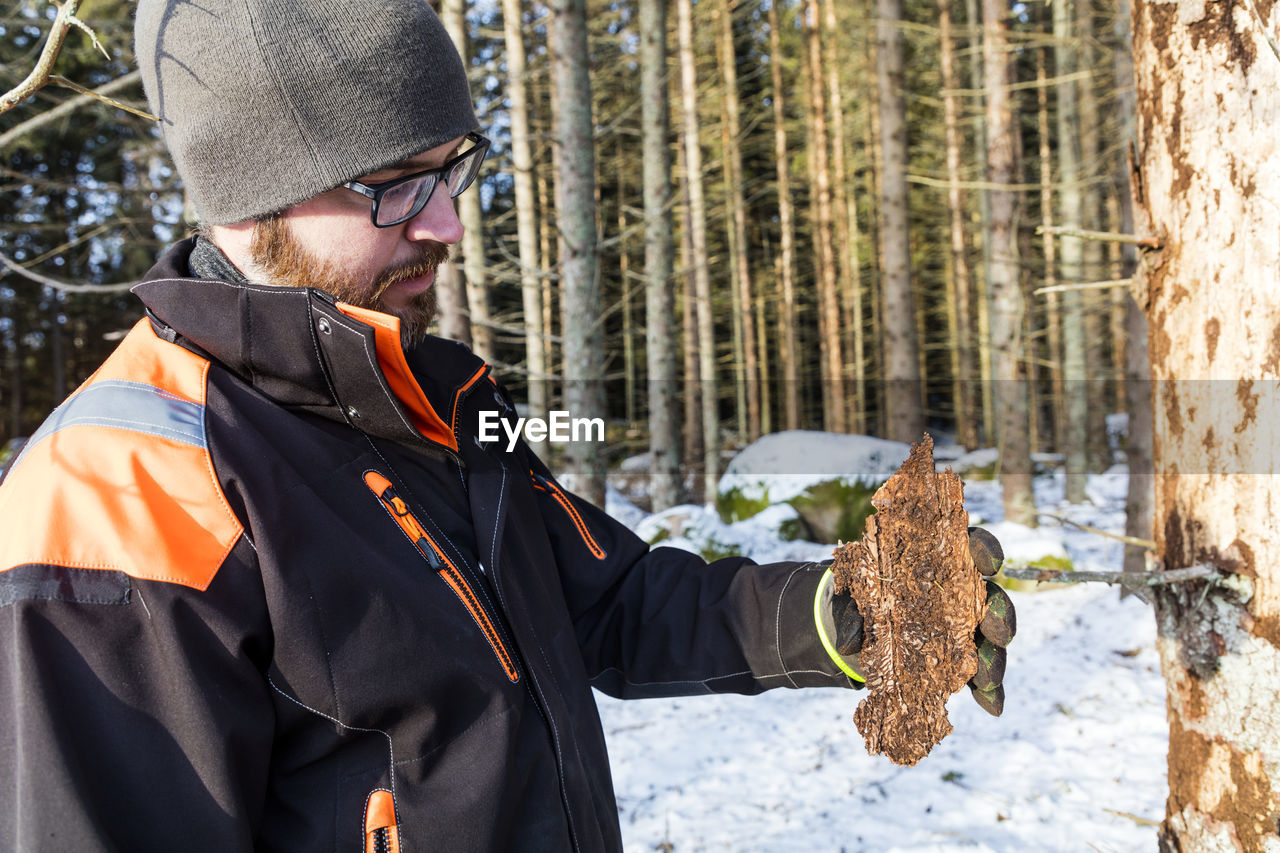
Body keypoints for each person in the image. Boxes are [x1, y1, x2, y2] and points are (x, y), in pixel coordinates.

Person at [0, 1, 1016, 850]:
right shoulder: (115, 498)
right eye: (394, 185)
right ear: (243, 199)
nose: (443, 221)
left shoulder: (426, 402)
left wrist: (858, 611)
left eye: (451, 170)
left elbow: (607, 602)